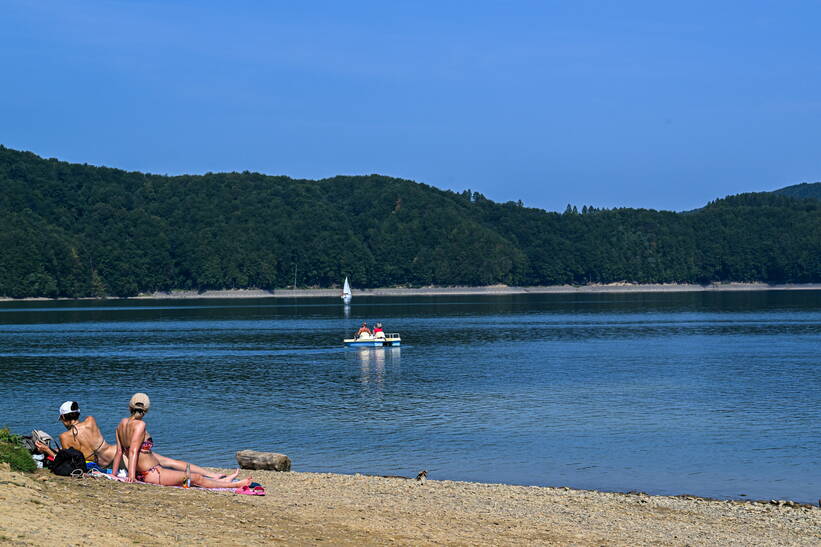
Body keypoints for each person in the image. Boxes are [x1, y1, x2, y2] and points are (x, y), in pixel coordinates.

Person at [36, 401, 238, 480]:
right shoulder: (90, 421)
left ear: (63, 418)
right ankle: (212, 474)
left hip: (103, 462)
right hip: (114, 451)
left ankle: (211, 478)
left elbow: (67, 458)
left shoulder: (64, 437)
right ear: (78, 412)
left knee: (163, 467)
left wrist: (47, 450)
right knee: (166, 462)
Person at [112, 393, 251, 488]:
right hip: (152, 473)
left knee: (182, 470)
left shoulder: (121, 423)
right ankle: (233, 485)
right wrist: (131, 477)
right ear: (146, 410)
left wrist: (114, 474)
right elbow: (133, 451)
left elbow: (119, 452)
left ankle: (220, 480)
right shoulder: (140, 425)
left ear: (129, 407)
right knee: (195, 478)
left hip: (147, 471)